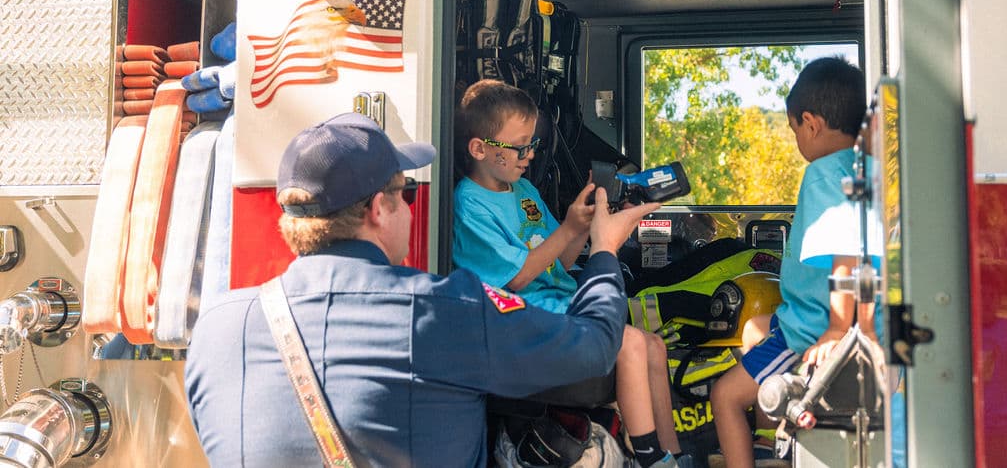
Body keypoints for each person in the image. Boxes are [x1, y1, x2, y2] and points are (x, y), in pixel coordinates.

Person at [184, 112, 659, 468]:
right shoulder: (446, 310)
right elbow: (596, 347)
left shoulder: (217, 329)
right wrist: (604, 250)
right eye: (406, 193)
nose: (412, 208)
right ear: (378, 209)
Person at [452, 80, 685, 467]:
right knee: (628, 343)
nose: (529, 155)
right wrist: (565, 231)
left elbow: (557, 262)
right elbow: (517, 279)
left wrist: (579, 226)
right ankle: (648, 456)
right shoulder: (470, 204)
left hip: (557, 304)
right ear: (479, 148)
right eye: (520, 146)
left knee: (653, 345)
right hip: (518, 318)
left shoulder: (524, 190)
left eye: (533, 145)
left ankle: (672, 453)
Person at [710, 56, 872, 468]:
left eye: (795, 129)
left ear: (811, 124)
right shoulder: (868, 167)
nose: (798, 140)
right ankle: (770, 445)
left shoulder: (822, 173)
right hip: (803, 315)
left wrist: (836, 328)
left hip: (811, 326)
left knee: (725, 397)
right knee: (753, 328)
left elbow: (845, 251)